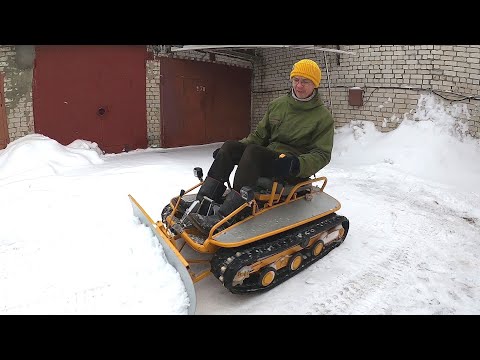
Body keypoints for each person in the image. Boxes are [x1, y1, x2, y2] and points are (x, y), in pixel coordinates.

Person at [188, 58, 335, 234]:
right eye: (296, 80)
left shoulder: (322, 117)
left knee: (253, 152)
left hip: (289, 167)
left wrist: (296, 164)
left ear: (315, 85)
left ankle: (231, 213)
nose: (299, 86)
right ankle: (204, 200)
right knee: (230, 147)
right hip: (266, 157)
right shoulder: (278, 105)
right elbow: (258, 136)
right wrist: (231, 152)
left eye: (305, 81)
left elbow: (322, 154)